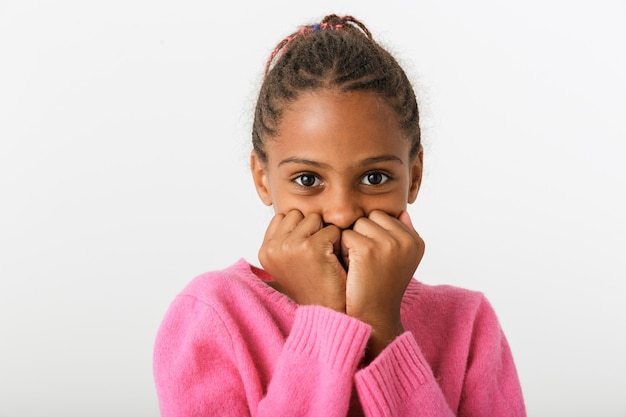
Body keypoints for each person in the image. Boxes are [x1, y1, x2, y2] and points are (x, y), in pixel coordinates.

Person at [153, 13, 526, 416]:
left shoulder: (468, 325)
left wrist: (381, 325)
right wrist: (323, 320)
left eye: (374, 176)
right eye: (308, 179)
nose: (342, 212)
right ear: (263, 179)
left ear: (414, 177)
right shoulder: (212, 316)